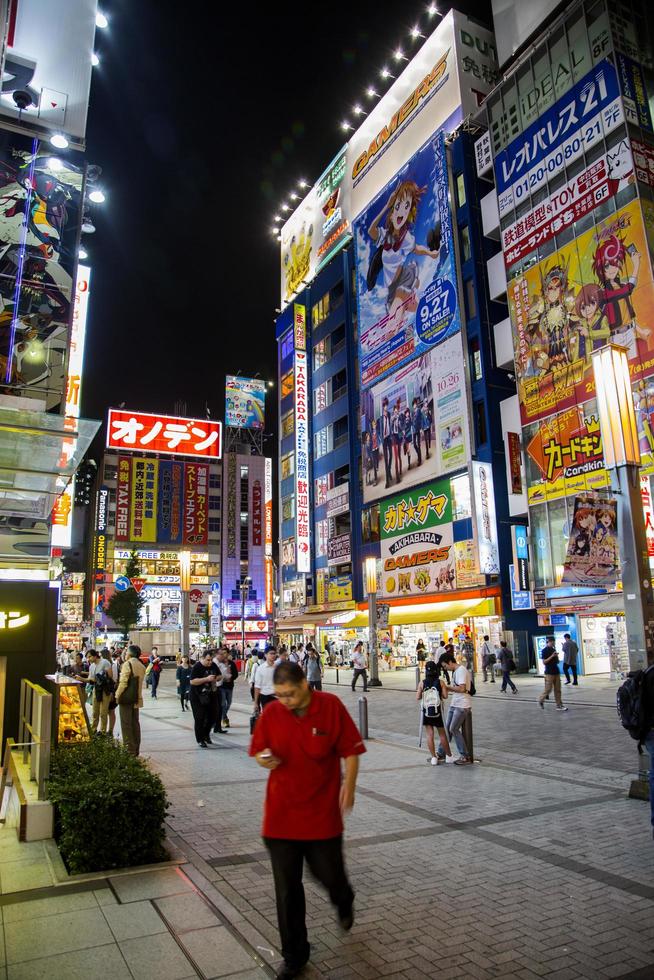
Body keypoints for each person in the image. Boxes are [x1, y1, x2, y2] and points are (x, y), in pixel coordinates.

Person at [249, 662, 365, 979]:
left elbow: (351, 751)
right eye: (280, 695)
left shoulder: (330, 706)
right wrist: (265, 760)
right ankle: (294, 955)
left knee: (328, 874)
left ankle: (344, 898)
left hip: (321, 815)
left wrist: (349, 788)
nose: (285, 700)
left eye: (290, 694)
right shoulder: (272, 712)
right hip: (280, 818)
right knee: (287, 888)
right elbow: (258, 750)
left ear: (304, 684)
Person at [438, 652, 473, 765]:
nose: (445, 668)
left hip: (462, 705)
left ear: (450, 662)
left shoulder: (461, 670)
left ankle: (465, 756)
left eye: (445, 666)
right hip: (455, 703)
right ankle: (440, 753)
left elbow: (462, 689)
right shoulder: (456, 671)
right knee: (447, 729)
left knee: (453, 729)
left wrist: (447, 687)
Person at [416, 660, 451, 765]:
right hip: (438, 711)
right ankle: (449, 756)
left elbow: (417, 697)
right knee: (442, 735)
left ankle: (434, 758)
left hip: (427, 712)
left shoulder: (422, 682)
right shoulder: (440, 682)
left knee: (429, 734)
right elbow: (445, 696)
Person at [115, 645, 147, 756]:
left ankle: (129, 750)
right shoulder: (141, 665)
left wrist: (117, 695)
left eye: (126, 652)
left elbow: (123, 682)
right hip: (136, 698)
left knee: (126, 724)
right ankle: (136, 749)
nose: (125, 654)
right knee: (135, 724)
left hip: (126, 698)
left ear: (130, 653)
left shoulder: (127, 664)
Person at [78, 650, 113, 734]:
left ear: (95, 656)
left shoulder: (105, 662)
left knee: (103, 712)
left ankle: (103, 731)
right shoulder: (91, 666)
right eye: (87, 657)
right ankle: (93, 729)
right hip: (96, 689)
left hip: (105, 690)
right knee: (95, 712)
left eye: (89, 657)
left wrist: (102, 677)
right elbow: (91, 680)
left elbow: (110, 676)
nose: (88, 659)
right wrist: (81, 679)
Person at [190, 650, 219, 748]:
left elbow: (219, 676)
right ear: (202, 658)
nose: (210, 662)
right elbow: (193, 681)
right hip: (197, 696)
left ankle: (206, 734)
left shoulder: (213, 665)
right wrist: (206, 679)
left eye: (211, 660)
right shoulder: (197, 667)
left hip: (211, 695)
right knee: (200, 718)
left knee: (213, 716)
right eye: (208, 660)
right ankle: (200, 739)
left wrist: (216, 678)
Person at [538, 636, 568, 711]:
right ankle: (541, 700)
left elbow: (557, 662)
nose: (553, 643)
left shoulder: (553, 649)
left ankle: (559, 705)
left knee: (558, 689)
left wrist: (556, 657)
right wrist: (552, 656)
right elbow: (544, 662)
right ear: (548, 642)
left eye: (554, 641)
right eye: (552, 642)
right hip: (549, 673)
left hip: (556, 671)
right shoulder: (544, 650)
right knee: (548, 689)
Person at [254, 647, 279, 712]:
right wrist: (256, 703)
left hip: (277, 697)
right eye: (271, 653)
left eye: (274, 653)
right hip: (265, 697)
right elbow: (257, 687)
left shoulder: (278, 668)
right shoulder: (260, 669)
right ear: (265, 655)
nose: (273, 655)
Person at [220, 648, 239, 729]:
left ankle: (221, 717)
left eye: (225, 653)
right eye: (222, 653)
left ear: (228, 654)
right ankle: (225, 718)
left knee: (229, 703)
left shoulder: (232, 663)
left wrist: (231, 678)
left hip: (230, 686)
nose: (224, 654)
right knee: (223, 704)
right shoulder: (219, 664)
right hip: (221, 686)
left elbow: (236, 674)